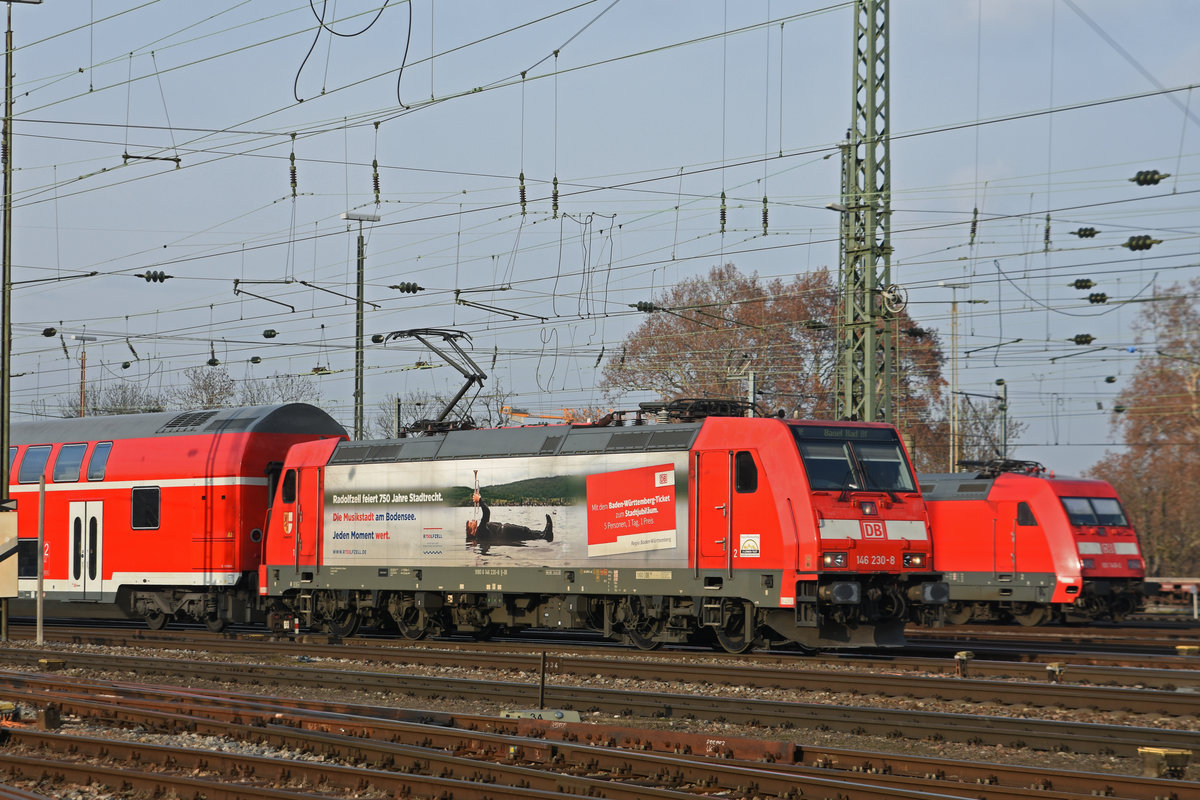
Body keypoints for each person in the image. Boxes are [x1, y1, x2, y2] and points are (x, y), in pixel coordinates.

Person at [466, 493, 553, 543]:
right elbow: (487, 512)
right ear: (472, 531)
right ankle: (545, 536)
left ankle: (544, 534)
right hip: (506, 531)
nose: (473, 521)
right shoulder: (480, 530)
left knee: (527, 533)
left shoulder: (481, 532)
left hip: (505, 532)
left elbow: (486, 519)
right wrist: (480, 500)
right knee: (525, 532)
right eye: (471, 523)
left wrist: (480, 501)